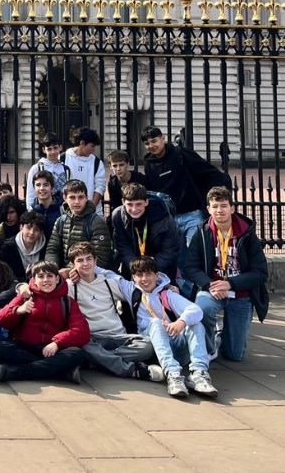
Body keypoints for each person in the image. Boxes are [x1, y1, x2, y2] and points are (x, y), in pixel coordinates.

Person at [97, 255, 217, 399]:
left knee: (195, 323)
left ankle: (199, 373)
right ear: (133, 277)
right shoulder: (130, 290)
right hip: (151, 347)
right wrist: (76, 270)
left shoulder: (167, 294)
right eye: (139, 275)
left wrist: (181, 322)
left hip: (175, 345)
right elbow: (108, 274)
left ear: (156, 275)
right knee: (155, 322)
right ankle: (173, 374)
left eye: (148, 274)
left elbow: (195, 309)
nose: (144, 279)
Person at [142, 125, 232, 292]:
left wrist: (221, 190)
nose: (151, 145)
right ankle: (184, 292)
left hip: (193, 215)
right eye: (147, 143)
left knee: (195, 254)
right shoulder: (149, 164)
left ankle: (201, 288)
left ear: (162, 139)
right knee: (176, 257)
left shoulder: (181, 154)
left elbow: (207, 172)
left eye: (154, 141)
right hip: (170, 218)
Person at [185, 186, 269, 362]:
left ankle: (222, 337)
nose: (219, 210)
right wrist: (209, 284)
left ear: (232, 208)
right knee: (202, 309)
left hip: (240, 293)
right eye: (215, 206)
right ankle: (208, 348)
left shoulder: (247, 233)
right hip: (212, 289)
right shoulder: (201, 233)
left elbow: (260, 272)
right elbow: (191, 267)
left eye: (223, 206)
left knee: (234, 355)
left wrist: (231, 283)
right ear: (208, 209)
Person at [65, 242, 159, 381]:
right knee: (82, 345)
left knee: (148, 346)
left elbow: (139, 289)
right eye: (80, 260)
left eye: (89, 259)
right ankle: (130, 370)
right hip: (91, 338)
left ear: (95, 261)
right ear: (73, 265)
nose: (85, 263)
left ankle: (95, 361)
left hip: (117, 336)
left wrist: (165, 286)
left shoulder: (110, 283)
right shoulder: (70, 287)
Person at [0, 260, 89, 384]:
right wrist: (18, 310)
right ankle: (61, 373)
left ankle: (15, 372)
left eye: (50, 276)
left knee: (77, 353)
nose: (45, 280)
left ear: (57, 279)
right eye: (40, 276)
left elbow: (82, 331)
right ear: (34, 280)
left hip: (54, 350)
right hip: (26, 347)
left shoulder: (68, 301)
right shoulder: (26, 296)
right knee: (2, 347)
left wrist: (57, 343)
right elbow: (0, 319)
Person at [110, 183, 180, 280]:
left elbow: (170, 250)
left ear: (146, 202)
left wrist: (149, 270)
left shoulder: (164, 217)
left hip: (160, 269)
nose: (134, 209)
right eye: (130, 204)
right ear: (123, 202)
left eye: (138, 204)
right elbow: (123, 246)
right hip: (133, 269)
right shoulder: (117, 216)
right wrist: (135, 268)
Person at [46, 179, 112, 269]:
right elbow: (52, 250)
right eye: (72, 197)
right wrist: (53, 270)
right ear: (65, 198)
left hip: (90, 272)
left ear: (86, 198)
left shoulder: (96, 222)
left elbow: (100, 257)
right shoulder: (60, 221)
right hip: (63, 272)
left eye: (81, 197)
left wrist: (71, 271)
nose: (77, 201)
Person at [63, 127, 106, 211]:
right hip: (68, 211)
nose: (93, 150)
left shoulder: (97, 162)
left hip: (93, 212)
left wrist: (91, 208)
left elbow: (100, 186)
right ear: (82, 143)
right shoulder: (63, 158)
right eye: (92, 146)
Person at [0, 210, 48, 282]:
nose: (31, 233)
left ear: (41, 233)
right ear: (21, 227)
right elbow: (6, 274)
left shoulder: (46, 246)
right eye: (28, 227)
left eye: (36, 229)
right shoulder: (8, 247)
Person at [25, 132, 70, 207]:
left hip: (61, 209)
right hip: (42, 209)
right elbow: (31, 193)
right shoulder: (37, 168)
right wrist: (31, 210)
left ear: (60, 147)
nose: (53, 152)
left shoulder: (66, 170)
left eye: (55, 148)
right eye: (49, 149)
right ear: (44, 150)